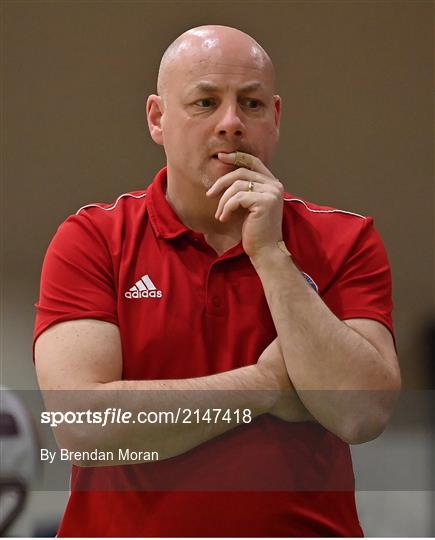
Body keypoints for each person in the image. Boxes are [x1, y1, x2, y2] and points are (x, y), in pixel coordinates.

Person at [33, 25, 401, 537]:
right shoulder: (94, 239)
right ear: (157, 119)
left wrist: (271, 255)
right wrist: (266, 384)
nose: (231, 123)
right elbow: (86, 428)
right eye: (205, 103)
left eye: (250, 104)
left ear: (275, 118)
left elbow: (362, 414)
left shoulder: (345, 239)